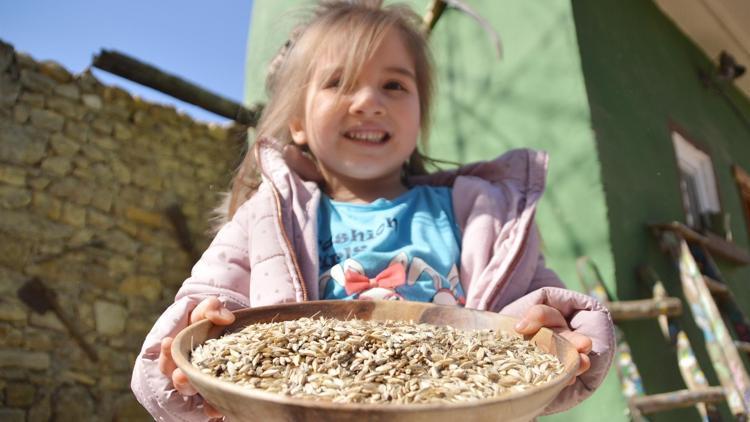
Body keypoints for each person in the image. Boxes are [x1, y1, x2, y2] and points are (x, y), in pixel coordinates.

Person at [131, 1, 615, 420]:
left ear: (420, 115)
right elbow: (203, 317)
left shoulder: (479, 214)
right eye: (339, 82)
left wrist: (557, 329)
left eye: (394, 86)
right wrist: (196, 343)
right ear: (297, 122)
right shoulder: (266, 217)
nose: (368, 102)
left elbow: (530, 313)